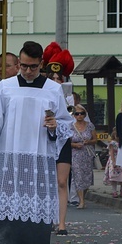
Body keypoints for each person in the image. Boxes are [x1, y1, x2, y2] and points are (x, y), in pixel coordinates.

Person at [0, 41, 73, 244]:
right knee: (8, 209)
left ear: (41, 63)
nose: (27, 71)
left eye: (32, 66)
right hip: (10, 156)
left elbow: (64, 123)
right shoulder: (5, 87)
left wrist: (55, 126)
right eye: (23, 66)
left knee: (33, 209)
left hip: (38, 157)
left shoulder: (53, 89)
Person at [42, 43, 75, 234]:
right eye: (52, 77)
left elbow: (71, 120)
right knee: (47, 181)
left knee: (62, 182)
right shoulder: (43, 92)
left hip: (63, 141)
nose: (56, 80)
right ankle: (48, 218)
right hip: (45, 139)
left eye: (59, 77)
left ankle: (62, 223)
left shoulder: (68, 97)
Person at [69, 104, 96, 209]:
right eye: (77, 113)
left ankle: (83, 197)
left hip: (87, 153)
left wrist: (89, 141)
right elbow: (68, 142)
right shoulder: (71, 126)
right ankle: (81, 201)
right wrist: (75, 145)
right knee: (78, 176)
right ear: (74, 115)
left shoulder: (90, 125)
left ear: (85, 114)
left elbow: (95, 140)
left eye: (82, 113)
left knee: (87, 177)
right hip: (76, 154)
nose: (79, 115)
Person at [104, 128, 122, 197]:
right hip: (115, 160)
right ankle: (114, 190)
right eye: (117, 135)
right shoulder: (112, 143)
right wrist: (113, 162)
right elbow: (112, 153)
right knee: (113, 176)